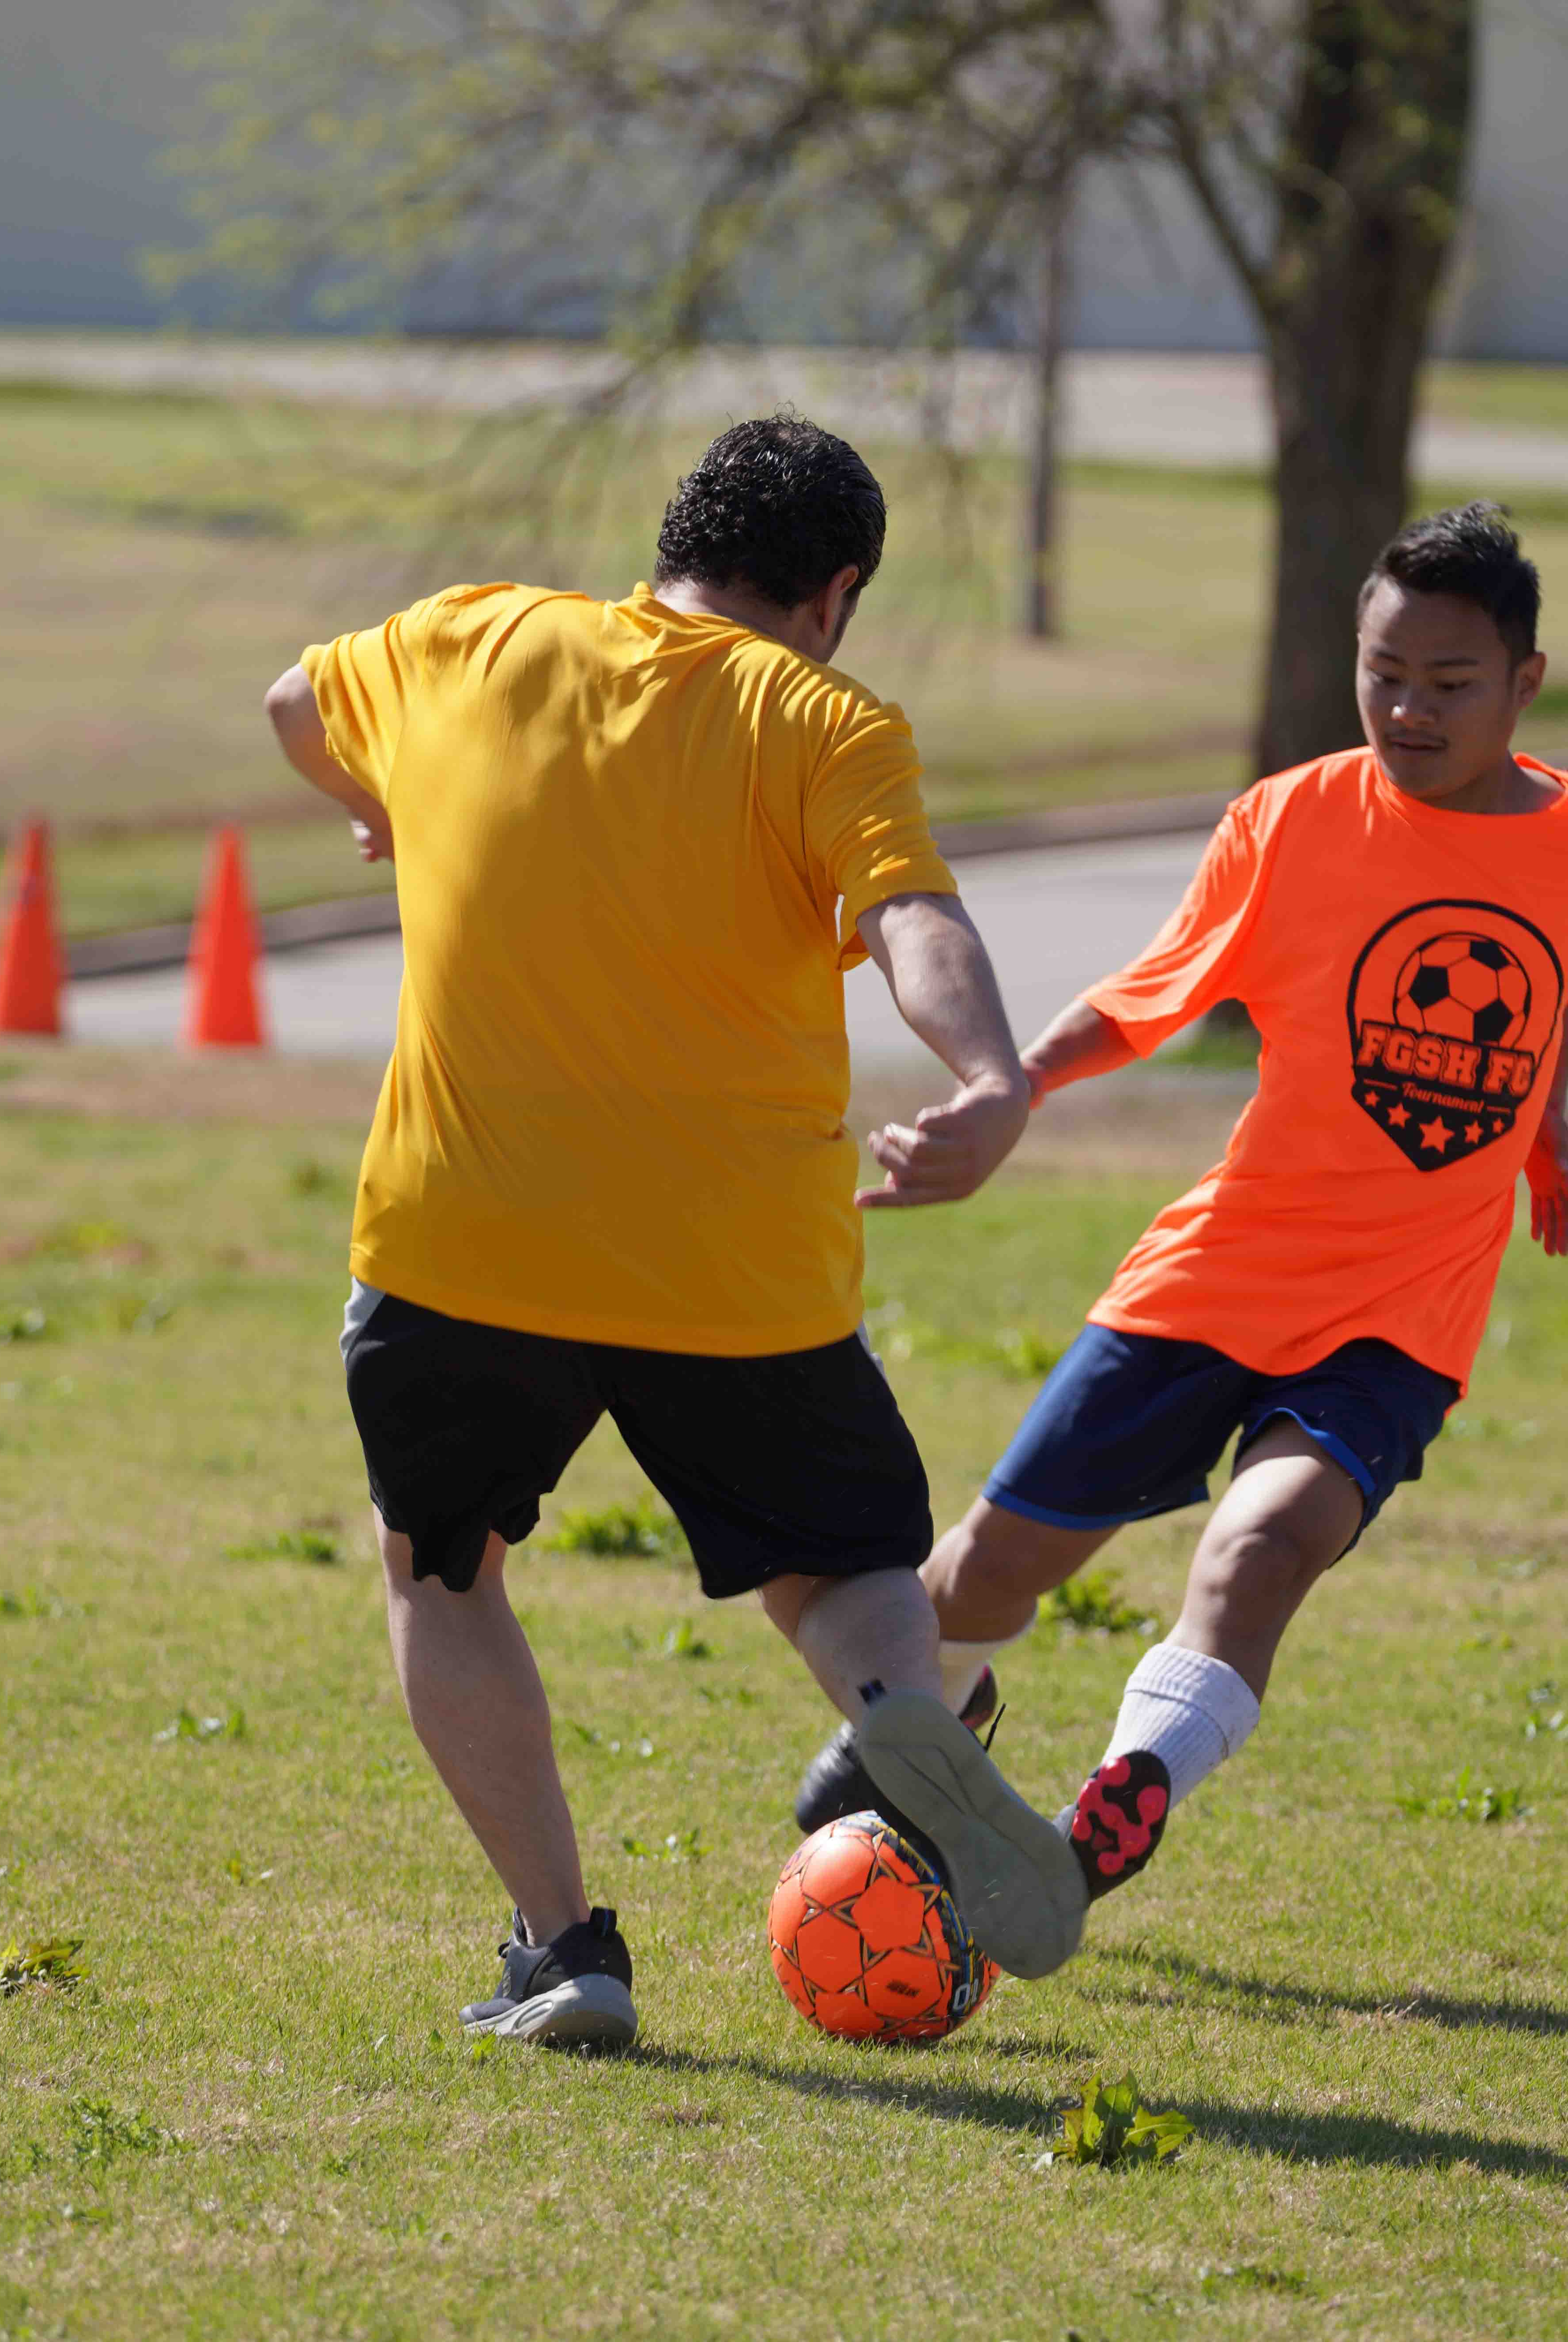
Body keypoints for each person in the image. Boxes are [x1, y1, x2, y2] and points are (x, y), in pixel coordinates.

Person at [263, 416, 1086, 2050]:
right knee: (840, 1565)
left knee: (442, 1570)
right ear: (832, 592)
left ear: (674, 541)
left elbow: (292, 704)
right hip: (735, 1262)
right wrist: (990, 1079)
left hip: (466, 1240)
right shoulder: (826, 718)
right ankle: (900, 1715)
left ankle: (564, 1947)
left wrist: (377, 799)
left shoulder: (470, 636)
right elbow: (910, 914)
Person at [796, 502, 1568, 1909]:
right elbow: (1154, 995)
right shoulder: (1293, 818)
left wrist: (1543, 1122)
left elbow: (1551, 988)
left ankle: (1112, 1808)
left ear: (1526, 684)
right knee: (983, 1573)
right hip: (1220, 1270)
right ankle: (932, 1727)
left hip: (1403, 1305)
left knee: (1263, 1545)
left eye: (1448, 684)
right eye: (1381, 672)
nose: (1406, 708)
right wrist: (1012, 1085)